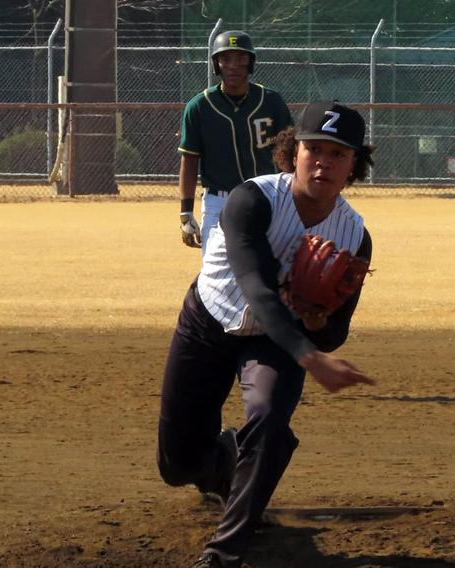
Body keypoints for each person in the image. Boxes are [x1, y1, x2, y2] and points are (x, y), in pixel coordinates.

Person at [158, 101, 377, 568]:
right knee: (177, 465)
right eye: (313, 149)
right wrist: (309, 353)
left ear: (355, 164)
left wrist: (317, 323)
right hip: (210, 322)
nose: (324, 162)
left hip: (275, 343)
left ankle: (223, 553)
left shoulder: (353, 234)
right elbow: (257, 290)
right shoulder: (251, 200)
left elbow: (334, 333)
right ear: (291, 151)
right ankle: (226, 462)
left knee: (269, 416)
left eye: (338, 154)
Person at [178, 30, 293, 254]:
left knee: (269, 268)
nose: (233, 65)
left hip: (266, 197)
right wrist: (185, 212)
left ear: (250, 63)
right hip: (219, 201)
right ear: (216, 63)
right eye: (226, 58)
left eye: (241, 58)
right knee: (215, 278)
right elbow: (189, 161)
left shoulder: (271, 101)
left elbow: (289, 153)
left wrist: (292, 200)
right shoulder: (199, 106)